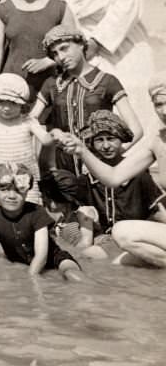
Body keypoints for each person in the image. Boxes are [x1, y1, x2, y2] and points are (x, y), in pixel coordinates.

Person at [58, 75, 166, 268]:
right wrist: (81, 150)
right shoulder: (158, 141)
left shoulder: (141, 176)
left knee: (120, 234)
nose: (164, 111)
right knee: (118, 262)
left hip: (126, 232)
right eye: (158, 104)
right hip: (106, 236)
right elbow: (113, 177)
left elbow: (155, 211)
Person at [32, 26, 141, 175]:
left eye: (64, 48)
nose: (61, 57)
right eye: (55, 54)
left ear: (81, 44)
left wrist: (112, 155)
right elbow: (30, 120)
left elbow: (136, 130)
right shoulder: (52, 84)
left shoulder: (107, 81)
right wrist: (49, 137)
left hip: (99, 170)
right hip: (64, 169)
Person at [0, 164, 85, 281]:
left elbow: (41, 257)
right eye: (4, 189)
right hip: (22, 263)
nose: (11, 195)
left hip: (54, 259)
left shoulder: (37, 212)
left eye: (19, 190)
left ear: (27, 192)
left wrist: (29, 282)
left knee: (72, 274)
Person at [0, 74, 53, 205]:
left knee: (30, 210)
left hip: (26, 180)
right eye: (1, 102)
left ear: (21, 104)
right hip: (2, 180)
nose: (6, 108)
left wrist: (55, 135)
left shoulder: (28, 122)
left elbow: (45, 140)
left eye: (12, 103)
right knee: (3, 214)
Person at [79, 110, 162, 245]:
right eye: (99, 140)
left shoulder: (139, 173)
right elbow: (84, 214)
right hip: (102, 241)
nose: (106, 146)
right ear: (92, 143)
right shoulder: (87, 179)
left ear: (121, 140)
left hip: (134, 238)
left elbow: (156, 211)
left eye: (111, 139)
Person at [40, 169, 98, 258]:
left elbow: (86, 245)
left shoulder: (83, 212)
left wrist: (64, 248)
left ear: (61, 198)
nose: (44, 199)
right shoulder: (61, 220)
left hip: (95, 254)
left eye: (47, 197)